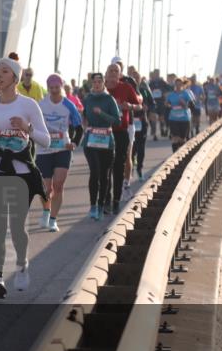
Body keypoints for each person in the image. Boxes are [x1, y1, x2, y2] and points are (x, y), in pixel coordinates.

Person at [0, 55, 50, 298]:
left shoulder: (28, 105)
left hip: (20, 173)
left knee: (16, 227)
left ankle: (22, 265)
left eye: (4, 71)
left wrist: (26, 128)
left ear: (15, 77)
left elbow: (45, 140)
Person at [36, 74, 84, 232]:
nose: (54, 90)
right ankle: (46, 210)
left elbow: (79, 128)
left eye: (57, 87)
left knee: (58, 185)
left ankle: (53, 219)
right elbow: (33, 124)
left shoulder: (68, 105)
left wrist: (74, 143)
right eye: (52, 87)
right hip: (44, 150)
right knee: (45, 188)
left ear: (61, 87)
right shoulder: (41, 105)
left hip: (63, 149)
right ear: (48, 88)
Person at [81, 72, 121, 219]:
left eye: (99, 81)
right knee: (95, 172)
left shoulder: (109, 99)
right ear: (92, 84)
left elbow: (117, 121)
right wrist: (84, 124)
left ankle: (101, 205)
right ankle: (92, 206)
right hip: (91, 141)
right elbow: (84, 115)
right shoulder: (88, 99)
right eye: (95, 82)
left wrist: (102, 113)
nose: (97, 84)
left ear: (104, 83)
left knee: (104, 175)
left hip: (107, 142)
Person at [104, 63, 142, 214]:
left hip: (121, 132)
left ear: (120, 75)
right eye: (111, 70)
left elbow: (139, 105)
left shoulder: (126, 88)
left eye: (116, 71)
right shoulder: (101, 88)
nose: (113, 73)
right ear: (106, 73)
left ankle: (116, 201)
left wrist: (130, 106)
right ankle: (106, 200)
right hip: (103, 133)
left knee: (118, 167)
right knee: (105, 168)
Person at [128, 67, 154, 181]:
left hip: (142, 121)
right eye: (133, 78)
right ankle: (131, 168)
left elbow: (152, 103)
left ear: (140, 79)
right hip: (130, 122)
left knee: (141, 147)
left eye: (137, 77)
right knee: (131, 147)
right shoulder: (127, 91)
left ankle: (140, 168)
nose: (135, 79)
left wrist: (148, 108)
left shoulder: (144, 90)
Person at [166, 77, 196, 152]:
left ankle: (182, 153)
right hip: (173, 119)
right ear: (174, 85)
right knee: (175, 137)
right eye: (176, 84)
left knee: (182, 139)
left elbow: (192, 105)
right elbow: (167, 104)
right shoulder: (171, 95)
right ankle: (175, 154)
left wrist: (185, 104)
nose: (178, 86)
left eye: (179, 84)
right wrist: (168, 105)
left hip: (184, 119)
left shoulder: (186, 93)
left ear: (182, 85)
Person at [148, 70, 172, 140]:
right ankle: (154, 134)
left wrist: (165, 93)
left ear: (159, 74)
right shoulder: (151, 83)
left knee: (161, 118)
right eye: (155, 73)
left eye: (157, 73)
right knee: (154, 118)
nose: (156, 75)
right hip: (153, 103)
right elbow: (147, 91)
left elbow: (169, 89)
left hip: (161, 102)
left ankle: (162, 130)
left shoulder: (163, 82)